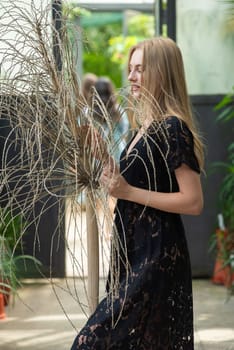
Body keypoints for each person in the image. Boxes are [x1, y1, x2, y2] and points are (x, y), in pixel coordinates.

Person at [71, 36, 204, 349]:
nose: (130, 76)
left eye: (140, 69)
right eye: (130, 68)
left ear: (162, 72)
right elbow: (126, 186)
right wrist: (103, 154)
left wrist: (127, 191)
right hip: (133, 254)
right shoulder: (141, 127)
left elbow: (194, 200)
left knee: (90, 342)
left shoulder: (173, 127)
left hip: (156, 257)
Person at [93, 76, 129, 161]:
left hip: (96, 157)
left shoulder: (88, 112)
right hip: (117, 153)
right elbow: (125, 132)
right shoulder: (119, 111)